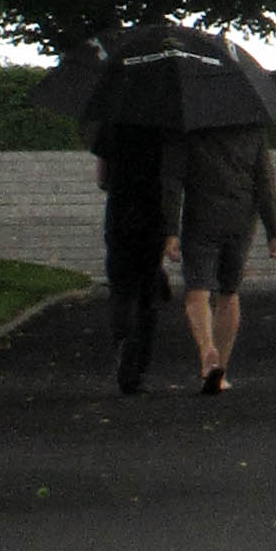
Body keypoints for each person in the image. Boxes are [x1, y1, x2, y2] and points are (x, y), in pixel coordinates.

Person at [160, 123, 276, 395]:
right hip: (241, 217)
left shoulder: (190, 128)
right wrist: (274, 230)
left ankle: (207, 352)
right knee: (229, 293)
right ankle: (222, 369)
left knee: (197, 291)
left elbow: (172, 181)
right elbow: (264, 179)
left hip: (201, 217)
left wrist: (170, 230)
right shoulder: (251, 130)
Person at [92, 121, 169, 396]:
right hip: (153, 211)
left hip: (119, 213)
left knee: (121, 288)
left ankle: (123, 338)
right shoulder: (164, 124)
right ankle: (139, 364)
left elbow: (102, 179)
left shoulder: (112, 122)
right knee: (148, 290)